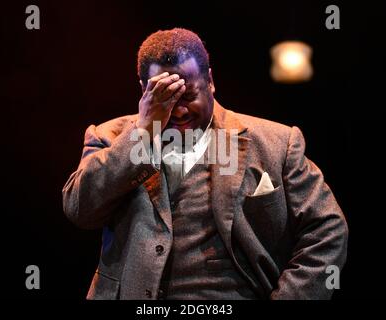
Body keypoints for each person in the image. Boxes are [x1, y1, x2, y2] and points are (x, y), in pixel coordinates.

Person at [62, 28, 348, 300]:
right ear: (144, 90)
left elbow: (328, 229)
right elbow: (80, 209)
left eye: (188, 95)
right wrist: (143, 133)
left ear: (210, 81)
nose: (180, 110)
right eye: (166, 99)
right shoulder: (110, 138)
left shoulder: (277, 142)